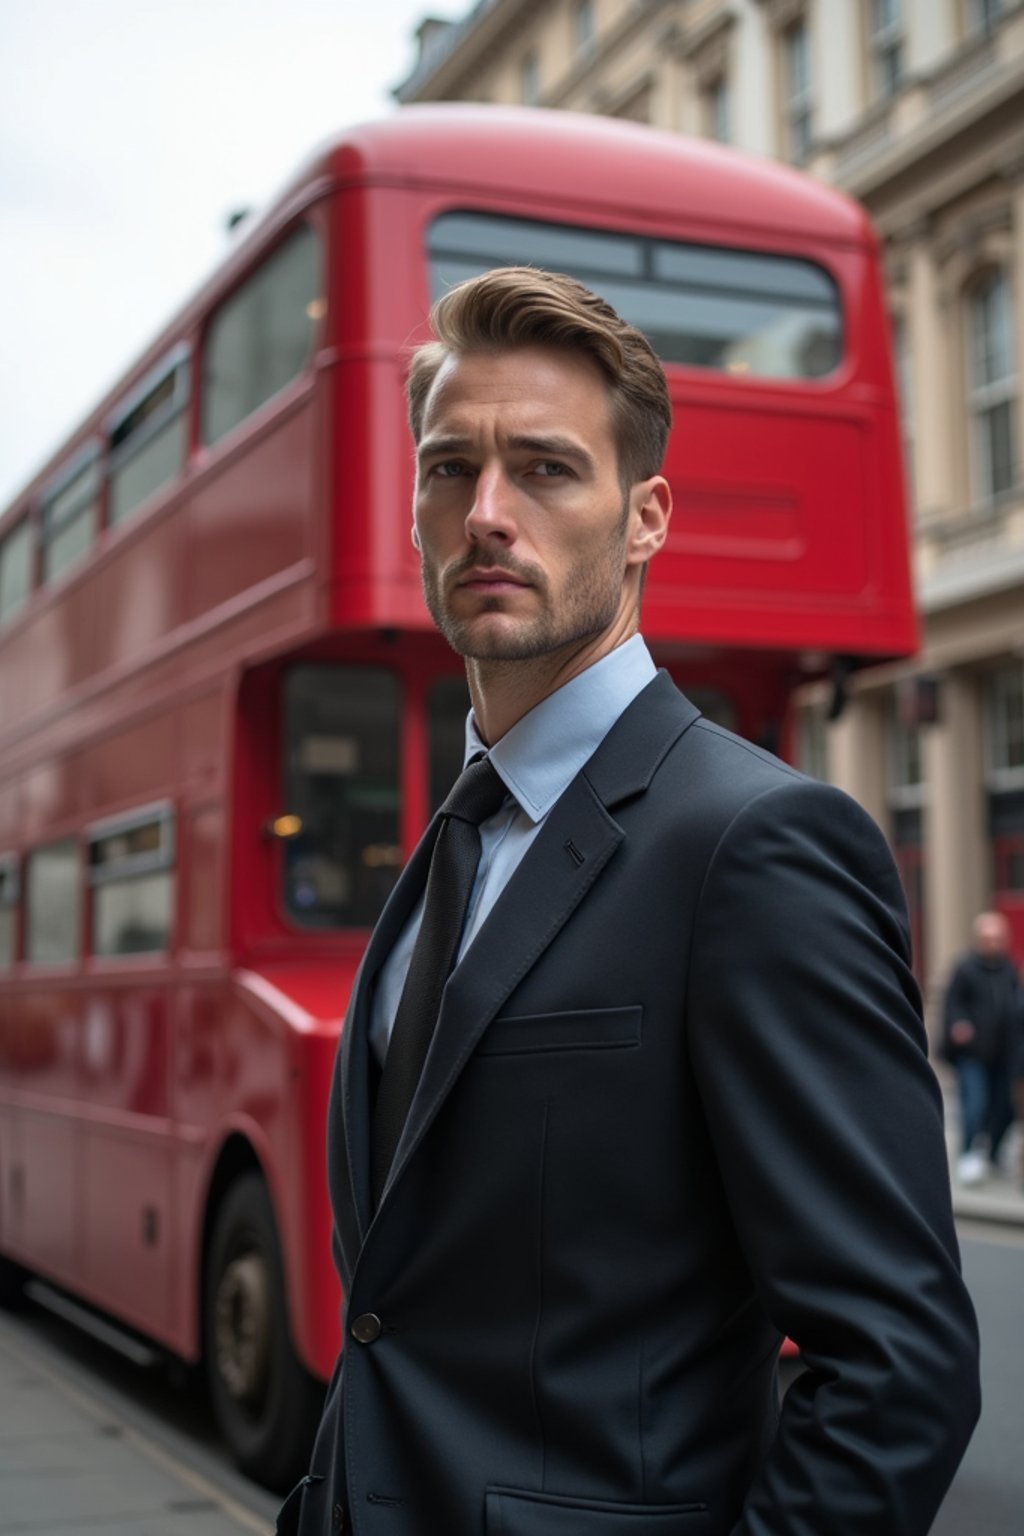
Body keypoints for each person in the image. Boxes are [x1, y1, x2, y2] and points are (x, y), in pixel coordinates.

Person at [277, 268, 979, 1536]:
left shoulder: (757, 847)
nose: (485, 513)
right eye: (449, 470)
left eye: (544, 469)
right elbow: (399, 1314)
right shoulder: (457, 839)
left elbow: (898, 1370)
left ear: (645, 517)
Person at [942, 909, 1020, 1184]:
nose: (993, 943)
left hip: (1003, 1054)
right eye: (988, 938)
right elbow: (952, 1004)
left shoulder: (1009, 969)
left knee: (1004, 1107)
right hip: (973, 1054)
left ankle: (994, 1154)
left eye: (998, 938)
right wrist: (959, 1025)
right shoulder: (965, 969)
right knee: (974, 1104)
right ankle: (967, 1155)